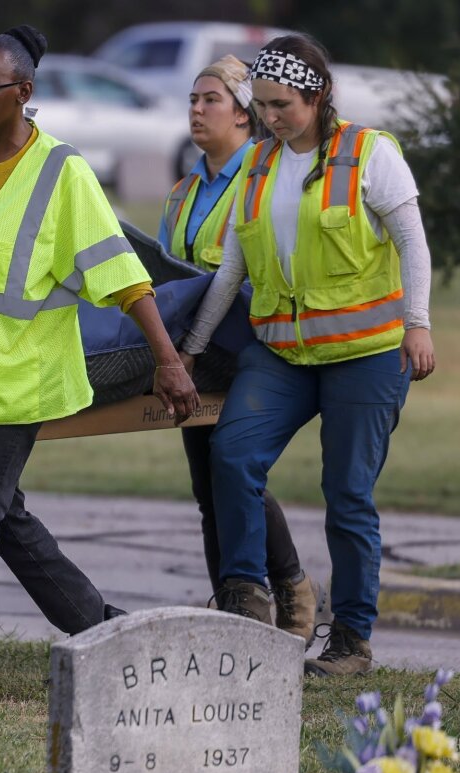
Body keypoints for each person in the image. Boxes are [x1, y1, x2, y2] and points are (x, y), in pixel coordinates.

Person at [0, 25, 200, 703]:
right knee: (5, 518)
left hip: (18, 380)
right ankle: (99, 628)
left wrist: (168, 362)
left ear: (23, 94)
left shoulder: (62, 172)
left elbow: (121, 274)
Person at [179, 34, 436, 676]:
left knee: (347, 494)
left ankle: (350, 641)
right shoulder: (259, 166)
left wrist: (418, 325)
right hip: (282, 354)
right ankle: (245, 602)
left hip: (366, 355)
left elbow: (413, 243)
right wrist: (189, 349)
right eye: (261, 105)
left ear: (317, 96)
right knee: (231, 454)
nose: (270, 117)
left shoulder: (369, 154)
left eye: (282, 104)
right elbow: (232, 270)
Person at [158, 57, 317, 645]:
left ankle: (288, 589)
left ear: (246, 116)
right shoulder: (181, 191)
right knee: (209, 484)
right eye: (193, 99)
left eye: (211, 100)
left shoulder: (268, 177)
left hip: (252, 346)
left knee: (233, 471)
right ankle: (234, 603)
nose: (196, 110)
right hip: (194, 353)